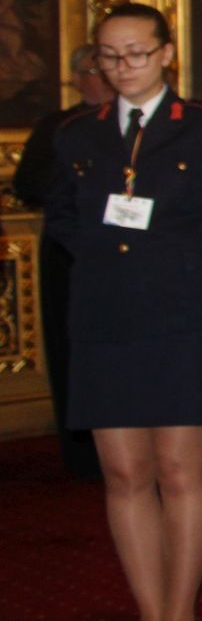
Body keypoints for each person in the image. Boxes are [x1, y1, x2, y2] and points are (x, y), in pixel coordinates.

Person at [45, 4, 202, 621]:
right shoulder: (78, 137)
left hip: (185, 318)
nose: (123, 67)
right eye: (110, 56)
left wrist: (175, 268)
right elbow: (65, 222)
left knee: (181, 471)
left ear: (167, 55)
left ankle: (182, 620)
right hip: (106, 320)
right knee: (125, 474)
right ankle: (149, 615)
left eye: (136, 53)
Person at [11, 46, 116, 479]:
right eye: (91, 71)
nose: (101, 78)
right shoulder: (59, 127)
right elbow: (27, 183)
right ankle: (82, 453)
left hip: (132, 256)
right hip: (69, 255)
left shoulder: (135, 124)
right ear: (76, 79)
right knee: (71, 351)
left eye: (105, 68)